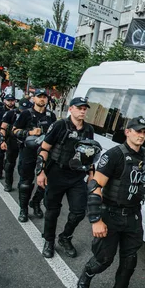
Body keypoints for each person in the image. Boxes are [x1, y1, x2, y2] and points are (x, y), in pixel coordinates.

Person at [76, 116, 145, 288]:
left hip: (133, 217)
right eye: (138, 131)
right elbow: (95, 186)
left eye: (144, 132)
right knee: (104, 259)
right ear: (128, 132)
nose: (142, 135)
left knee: (129, 262)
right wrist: (96, 219)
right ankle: (87, 274)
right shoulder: (114, 155)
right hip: (110, 215)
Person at [36, 97, 98, 258]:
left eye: (85, 108)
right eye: (79, 108)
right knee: (52, 211)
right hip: (56, 173)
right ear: (71, 109)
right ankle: (49, 241)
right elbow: (44, 149)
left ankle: (65, 237)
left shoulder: (89, 130)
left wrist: (92, 175)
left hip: (77, 176)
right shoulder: (59, 125)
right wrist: (41, 172)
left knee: (78, 211)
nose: (83, 111)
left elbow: (90, 154)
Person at [12, 88, 57, 222]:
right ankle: (23, 209)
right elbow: (14, 130)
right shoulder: (26, 114)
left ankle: (36, 202)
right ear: (34, 99)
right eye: (39, 96)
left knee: (45, 182)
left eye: (44, 97)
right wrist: (29, 133)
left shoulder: (51, 115)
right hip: (28, 152)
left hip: (45, 154)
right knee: (26, 183)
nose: (42, 99)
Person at [0, 98, 31, 192]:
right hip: (12, 140)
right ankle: (8, 183)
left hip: (25, 142)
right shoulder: (11, 113)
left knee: (23, 165)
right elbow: (3, 128)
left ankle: (21, 183)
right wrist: (2, 140)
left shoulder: (30, 114)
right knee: (9, 163)